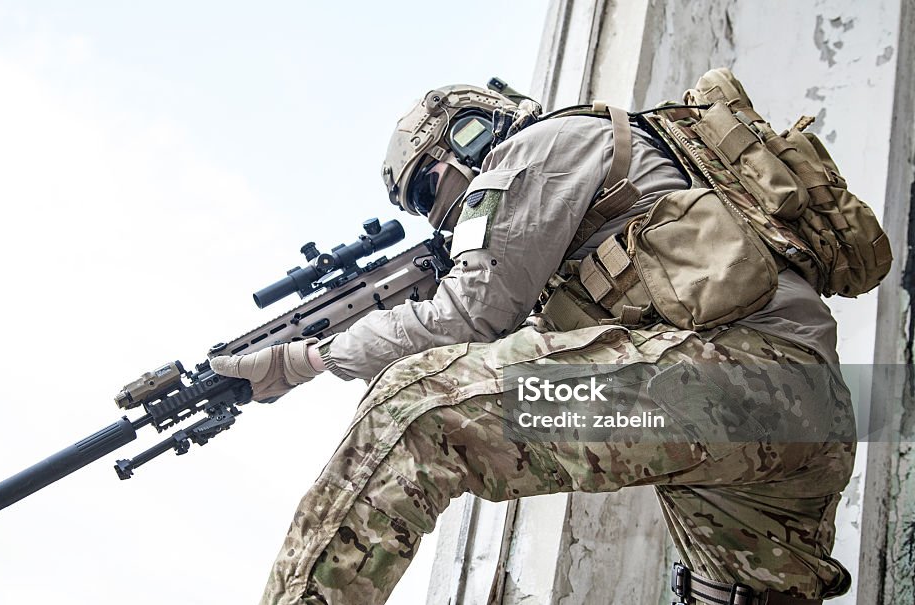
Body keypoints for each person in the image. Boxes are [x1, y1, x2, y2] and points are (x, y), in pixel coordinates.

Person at [210, 83, 856, 605]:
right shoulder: (616, 170)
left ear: (472, 131)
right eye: (421, 201)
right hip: (801, 418)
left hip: (739, 384)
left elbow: (465, 315)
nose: (438, 205)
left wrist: (308, 358)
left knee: (418, 410)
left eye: (431, 184)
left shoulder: (535, 149)